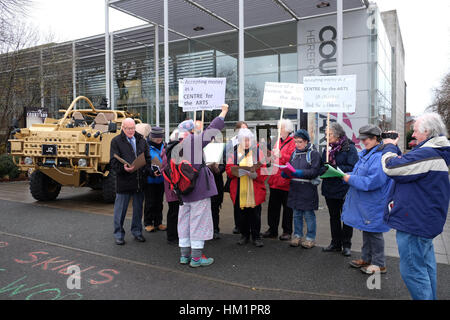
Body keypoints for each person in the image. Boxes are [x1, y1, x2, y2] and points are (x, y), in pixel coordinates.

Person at [380, 113, 449, 300]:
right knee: (426, 268)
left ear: (427, 131)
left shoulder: (428, 153)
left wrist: (388, 146)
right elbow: (410, 167)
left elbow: (392, 167)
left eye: (416, 131)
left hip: (415, 224)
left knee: (414, 272)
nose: (413, 135)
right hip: (424, 221)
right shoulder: (437, 152)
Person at [167, 104, 229, 268]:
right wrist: (223, 112)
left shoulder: (171, 146)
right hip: (198, 189)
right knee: (198, 222)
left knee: (184, 222)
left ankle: (184, 256)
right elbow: (213, 128)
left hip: (181, 191)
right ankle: (196, 258)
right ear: (191, 131)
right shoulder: (193, 141)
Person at [341, 124, 392, 274]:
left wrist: (350, 179)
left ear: (375, 139)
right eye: (362, 139)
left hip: (373, 202)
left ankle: (379, 264)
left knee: (374, 233)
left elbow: (372, 181)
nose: (363, 142)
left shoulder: (378, 156)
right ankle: (366, 259)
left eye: (366, 139)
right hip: (367, 202)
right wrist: (346, 175)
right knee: (367, 229)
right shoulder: (367, 154)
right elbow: (361, 174)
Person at [110, 118, 151, 245]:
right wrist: (124, 168)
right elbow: (113, 162)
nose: (131, 131)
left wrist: (145, 169)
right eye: (128, 128)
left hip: (139, 181)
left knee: (138, 209)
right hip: (124, 181)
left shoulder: (142, 140)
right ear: (122, 128)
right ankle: (119, 234)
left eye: (132, 128)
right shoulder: (116, 141)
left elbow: (148, 158)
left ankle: (137, 232)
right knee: (120, 210)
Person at [321, 123, 358, 256]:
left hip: (344, 187)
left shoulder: (349, 148)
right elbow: (321, 165)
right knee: (333, 217)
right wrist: (324, 169)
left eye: (329, 134)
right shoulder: (326, 148)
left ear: (337, 134)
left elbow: (353, 167)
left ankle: (347, 245)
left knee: (347, 217)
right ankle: (335, 243)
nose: (326, 136)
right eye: (326, 134)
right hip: (329, 187)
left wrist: (335, 168)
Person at [226, 128, 267, 247]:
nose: (246, 142)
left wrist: (256, 175)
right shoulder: (233, 153)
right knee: (241, 214)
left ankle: (256, 236)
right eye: (243, 140)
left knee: (255, 214)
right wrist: (237, 172)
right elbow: (229, 169)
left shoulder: (258, 152)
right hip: (239, 186)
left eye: (248, 140)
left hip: (254, 187)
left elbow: (263, 168)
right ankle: (244, 235)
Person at [282, 129, 321, 249]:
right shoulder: (294, 153)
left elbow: (315, 171)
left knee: (309, 215)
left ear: (306, 141)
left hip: (308, 188)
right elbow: (289, 167)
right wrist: (285, 173)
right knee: (297, 214)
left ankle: (310, 238)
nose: (297, 144)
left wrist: (299, 172)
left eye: (299, 142)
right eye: (295, 142)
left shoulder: (313, 153)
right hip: (295, 188)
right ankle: (297, 236)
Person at [262, 119, 296, 241]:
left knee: (287, 208)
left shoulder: (293, 142)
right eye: (278, 127)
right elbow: (273, 158)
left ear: (287, 129)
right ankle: (272, 229)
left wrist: (282, 156)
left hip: (286, 180)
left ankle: (287, 231)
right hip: (275, 179)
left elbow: (293, 159)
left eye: (280, 128)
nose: (279, 130)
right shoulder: (277, 141)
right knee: (273, 207)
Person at [224, 121, 248, 235]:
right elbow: (226, 158)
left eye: (246, 128)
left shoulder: (251, 142)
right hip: (235, 176)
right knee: (237, 202)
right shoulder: (231, 143)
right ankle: (238, 225)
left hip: (248, 177)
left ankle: (247, 226)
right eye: (242, 129)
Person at [143, 126, 167, 232]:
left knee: (159, 202)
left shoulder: (164, 145)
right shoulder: (146, 146)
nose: (159, 139)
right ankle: (148, 222)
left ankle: (158, 222)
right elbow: (143, 164)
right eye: (157, 138)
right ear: (152, 137)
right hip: (149, 180)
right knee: (150, 202)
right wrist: (151, 172)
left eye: (160, 137)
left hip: (162, 179)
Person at [162, 129, 181, 246]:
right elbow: (168, 169)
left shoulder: (167, 150)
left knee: (175, 211)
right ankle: (172, 236)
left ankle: (174, 235)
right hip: (173, 185)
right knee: (174, 211)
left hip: (172, 185)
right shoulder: (172, 151)